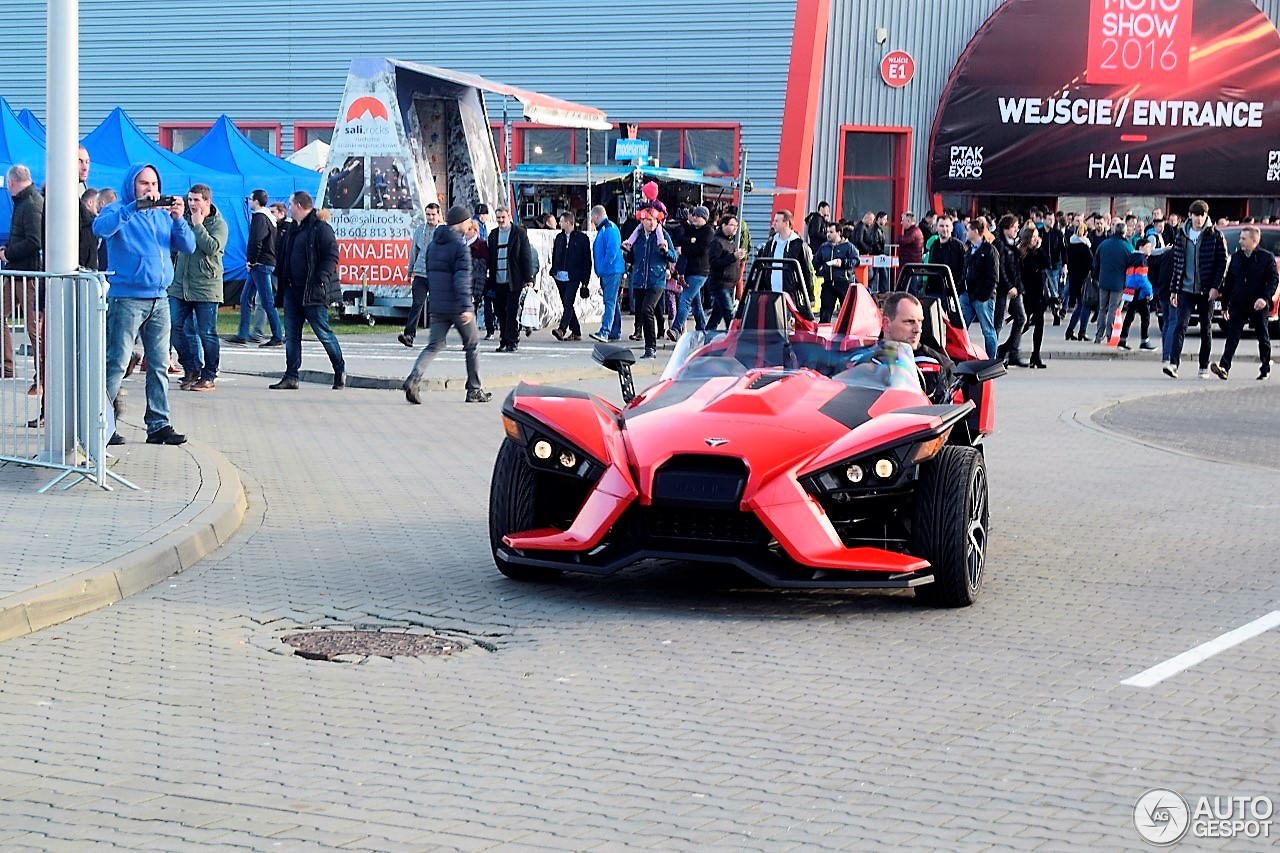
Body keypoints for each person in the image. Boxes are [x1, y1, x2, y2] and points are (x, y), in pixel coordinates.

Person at [93, 163, 195, 445]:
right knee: (117, 362)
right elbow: (100, 228)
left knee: (160, 364)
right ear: (132, 186)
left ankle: (159, 424)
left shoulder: (163, 216)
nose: (150, 190)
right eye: (143, 184)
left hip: (159, 298)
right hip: (127, 298)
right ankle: (101, 422)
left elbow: (187, 246)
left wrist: (178, 218)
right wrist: (132, 208)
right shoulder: (118, 209)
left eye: (153, 184)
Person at [401, 205, 492, 405]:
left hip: (437, 304)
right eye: (468, 221)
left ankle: (414, 378)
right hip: (458, 307)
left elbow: (431, 274)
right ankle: (474, 390)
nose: (470, 224)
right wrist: (466, 307)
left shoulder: (434, 245)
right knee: (472, 344)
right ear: (460, 222)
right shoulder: (460, 247)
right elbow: (462, 279)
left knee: (435, 344)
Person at [269, 190, 346, 390]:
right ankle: (291, 376)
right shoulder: (292, 229)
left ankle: (339, 370)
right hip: (292, 290)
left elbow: (331, 256)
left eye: (291, 204)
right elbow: (284, 255)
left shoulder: (320, 228)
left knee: (323, 333)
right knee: (292, 335)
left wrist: (320, 279)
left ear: (300, 206)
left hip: (313, 291)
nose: (289, 208)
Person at [168, 184, 226, 392]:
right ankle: (191, 368)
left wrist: (199, 226)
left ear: (207, 202)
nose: (192, 204)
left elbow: (211, 247)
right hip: (180, 284)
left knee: (207, 333)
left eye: (196, 200)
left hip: (206, 286)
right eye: (190, 200)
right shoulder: (184, 218)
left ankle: (209, 374)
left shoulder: (218, 224)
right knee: (174, 327)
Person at [1164, 200, 1227, 379]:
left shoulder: (1214, 235)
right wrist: (1174, 290)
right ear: (1190, 216)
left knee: (1206, 328)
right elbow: (1177, 263)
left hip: (1206, 290)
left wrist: (1216, 287)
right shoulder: (1181, 234)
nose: (1198, 219)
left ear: (1206, 216)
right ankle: (1173, 363)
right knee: (1180, 325)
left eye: (1202, 215)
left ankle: (1203, 366)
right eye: (1195, 215)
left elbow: (1221, 263)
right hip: (1185, 289)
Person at [1210, 225, 1278, 381]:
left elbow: (1273, 280)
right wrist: (1225, 305)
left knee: (1262, 336)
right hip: (1239, 303)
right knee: (1233, 336)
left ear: (1254, 240)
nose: (1240, 241)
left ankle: (1265, 367)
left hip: (1258, 303)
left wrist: (1265, 298)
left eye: (1243, 238)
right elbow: (1230, 282)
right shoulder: (1236, 257)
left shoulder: (1266, 258)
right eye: (1240, 238)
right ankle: (1224, 367)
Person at [1, 165, 44, 391]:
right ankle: (7, 367)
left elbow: (34, 241)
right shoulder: (25, 203)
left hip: (28, 276)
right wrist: (8, 249)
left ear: (11, 183)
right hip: (17, 273)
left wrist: (8, 253)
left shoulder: (31, 204)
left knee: (34, 328)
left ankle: (42, 377)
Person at [228, 189, 283, 347]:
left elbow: (256, 241)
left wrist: (251, 260)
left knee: (266, 301)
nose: (250, 202)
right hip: (263, 263)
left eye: (251, 199)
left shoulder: (260, 217)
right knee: (245, 298)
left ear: (256, 201)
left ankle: (277, 335)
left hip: (260, 264)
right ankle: (242, 333)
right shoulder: (269, 218)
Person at [880, 291, 954, 402]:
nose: (918, 329)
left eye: (920, 322)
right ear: (886, 324)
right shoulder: (865, 359)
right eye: (909, 322)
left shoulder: (941, 365)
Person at [626, 208, 677, 359]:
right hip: (639, 279)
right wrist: (626, 253)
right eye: (648, 220)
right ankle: (648, 345)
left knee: (647, 309)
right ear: (642, 221)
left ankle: (651, 347)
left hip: (656, 279)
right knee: (642, 311)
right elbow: (631, 259)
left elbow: (673, 257)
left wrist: (666, 251)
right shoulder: (636, 237)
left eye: (653, 220)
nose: (651, 223)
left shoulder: (663, 236)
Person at [487, 205, 535, 353]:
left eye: (503, 217)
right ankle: (503, 340)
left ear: (509, 217)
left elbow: (526, 256)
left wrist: (529, 278)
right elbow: (490, 257)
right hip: (497, 279)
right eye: (498, 218)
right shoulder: (493, 235)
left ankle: (512, 340)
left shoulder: (519, 233)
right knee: (500, 312)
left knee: (511, 311)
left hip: (513, 280)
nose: (501, 220)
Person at [758, 210, 815, 319]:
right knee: (771, 323)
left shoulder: (799, 245)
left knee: (786, 324)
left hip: (789, 294)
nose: (773, 223)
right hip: (771, 292)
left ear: (786, 223)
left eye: (777, 221)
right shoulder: (771, 244)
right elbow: (763, 268)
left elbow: (807, 271)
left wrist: (810, 296)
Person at [399, 203, 440, 347]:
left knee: (437, 306)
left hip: (437, 274)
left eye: (433, 214)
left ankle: (438, 336)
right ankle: (409, 335)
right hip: (420, 273)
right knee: (417, 304)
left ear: (438, 215)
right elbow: (413, 253)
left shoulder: (442, 231)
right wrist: (410, 272)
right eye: (428, 214)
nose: (430, 217)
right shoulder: (419, 231)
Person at [960, 219, 999, 359]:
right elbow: (965, 270)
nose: (966, 232)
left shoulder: (989, 250)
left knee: (988, 330)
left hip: (982, 297)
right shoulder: (970, 249)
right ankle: (961, 356)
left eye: (968, 229)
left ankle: (991, 359)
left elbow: (993, 276)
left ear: (976, 231)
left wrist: (984, 295)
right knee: (960, 328)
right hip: (967, 294)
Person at [549, 211, 590, 341]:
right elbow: (555, 255)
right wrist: (554, 270)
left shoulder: (582, 238)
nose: (559, 223)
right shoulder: (559, 238)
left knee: (568, 302)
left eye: (561, 221)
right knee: (567, 305)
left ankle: (562, 329)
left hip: (574, 276)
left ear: (568, 222)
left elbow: (586, 261)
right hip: (560, 276)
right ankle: (576, 331)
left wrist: (585, 281)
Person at [672, 204, 713, 336]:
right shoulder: (692, 230)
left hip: (700, 271)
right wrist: (690, 241)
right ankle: (702, 329)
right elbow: (680, 239)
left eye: (698, 216)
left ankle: (676, 328)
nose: (695, 218)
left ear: (705, 218)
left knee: (685, 299)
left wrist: (684, 249)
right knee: (696, 303)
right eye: (694, 215)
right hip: (690, 270)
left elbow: (700, 250)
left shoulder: (708, 232)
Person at [993, 214, 1027, 367]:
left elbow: (1017, 268)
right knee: (997, 323)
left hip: (1015, 290)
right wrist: (1008, 286)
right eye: (1014, 227)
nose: (1016, 230)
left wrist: (1018, 287)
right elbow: (999, 268)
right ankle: (993, 355)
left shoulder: (1013, 245)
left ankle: (1012, 351)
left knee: (1021, 318)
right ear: (1006, 228)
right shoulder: (999, 244)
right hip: (1003, 291)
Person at [589, 205, 625, 343]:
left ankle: (605, 331)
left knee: (609, 301)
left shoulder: (608, 228)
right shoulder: (607, 228)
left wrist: (603, 267)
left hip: (611, 271)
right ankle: (614, 330)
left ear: (596, 216)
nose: (592, 220)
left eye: (592, 218)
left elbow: (612, 250)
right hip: (610, 270)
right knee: (613, 301)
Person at [1091, 222, 1131, 344]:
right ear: (1124, 232)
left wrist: (1096, 276)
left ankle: (1098, 335)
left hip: (1103, 280)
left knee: (1102, 309)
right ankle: (1110, 335)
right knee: (1113, 309)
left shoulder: (1104, 244)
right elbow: (1131, 266)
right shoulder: (1127, 247)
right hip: (1118, 283)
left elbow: (1096, 262)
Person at [1017, 225, 1049, 368]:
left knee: (1039, 324)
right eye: (1034, 236)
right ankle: (1006, 348)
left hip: (1038, 293)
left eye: (1037, 236)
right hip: (1027, 294)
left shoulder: (1037, 252)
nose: (1036, 239)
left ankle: (1036, 355)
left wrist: (1040, 248)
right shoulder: (1023, 253)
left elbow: (1047, 264)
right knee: (1023, 325)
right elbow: (1031, 268)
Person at [706, 214, 744, 331]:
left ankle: (706, 337)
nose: (735, 228)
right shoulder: (717, 242)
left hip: (729, 284)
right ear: (724, 225)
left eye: (736, 226)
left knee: (716, 316)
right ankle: (734, 339)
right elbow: (714, 263)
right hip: (720, 284)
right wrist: (733, 257)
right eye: (732, 225)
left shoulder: (730, 242)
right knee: (729, 314)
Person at [1117, 237, 1156, 351]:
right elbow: (1142, 278)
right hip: (1140, 292)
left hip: (1130, 290)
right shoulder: (1142, 260)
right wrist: (1149, 292)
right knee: (1145, 317)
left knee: (1130, 315)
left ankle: (1122, 340)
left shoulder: (1131, 258)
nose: (1150, 249)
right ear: (1141, 247)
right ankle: (1145, 341)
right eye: (1148, 247)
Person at [814, 222, 857, 323]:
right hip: (828, 282)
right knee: (825, 311)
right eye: (827, 232)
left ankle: (847, 334)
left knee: (847, 312)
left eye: (831, 232)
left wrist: (843, 263)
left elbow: (856, 261)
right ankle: (823, 334)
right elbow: (815, 262)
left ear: (839, 233)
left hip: (843, 282)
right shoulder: (824, 247)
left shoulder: (848, 246)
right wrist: (820, 270)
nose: (828, 234)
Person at [1064, 221, 1094, 341]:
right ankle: (1080, 331)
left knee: (1080, 305)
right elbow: (1091, 264)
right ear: (1085, 234)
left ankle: (1071, 331)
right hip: (1084, 281)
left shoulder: (1071, 245)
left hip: (1073, 280)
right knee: (1084, 306)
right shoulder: (1085, 247)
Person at [927, 215, 965, 289]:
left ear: (952, 228)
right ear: (936, 228)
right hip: (935, 290)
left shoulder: (959, 247)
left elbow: (963, 270)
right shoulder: (934, 246)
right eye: (941, 226)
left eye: (947, 226)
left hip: (953, 291)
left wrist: (956, 288)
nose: (944, 229)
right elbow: (930, 268)